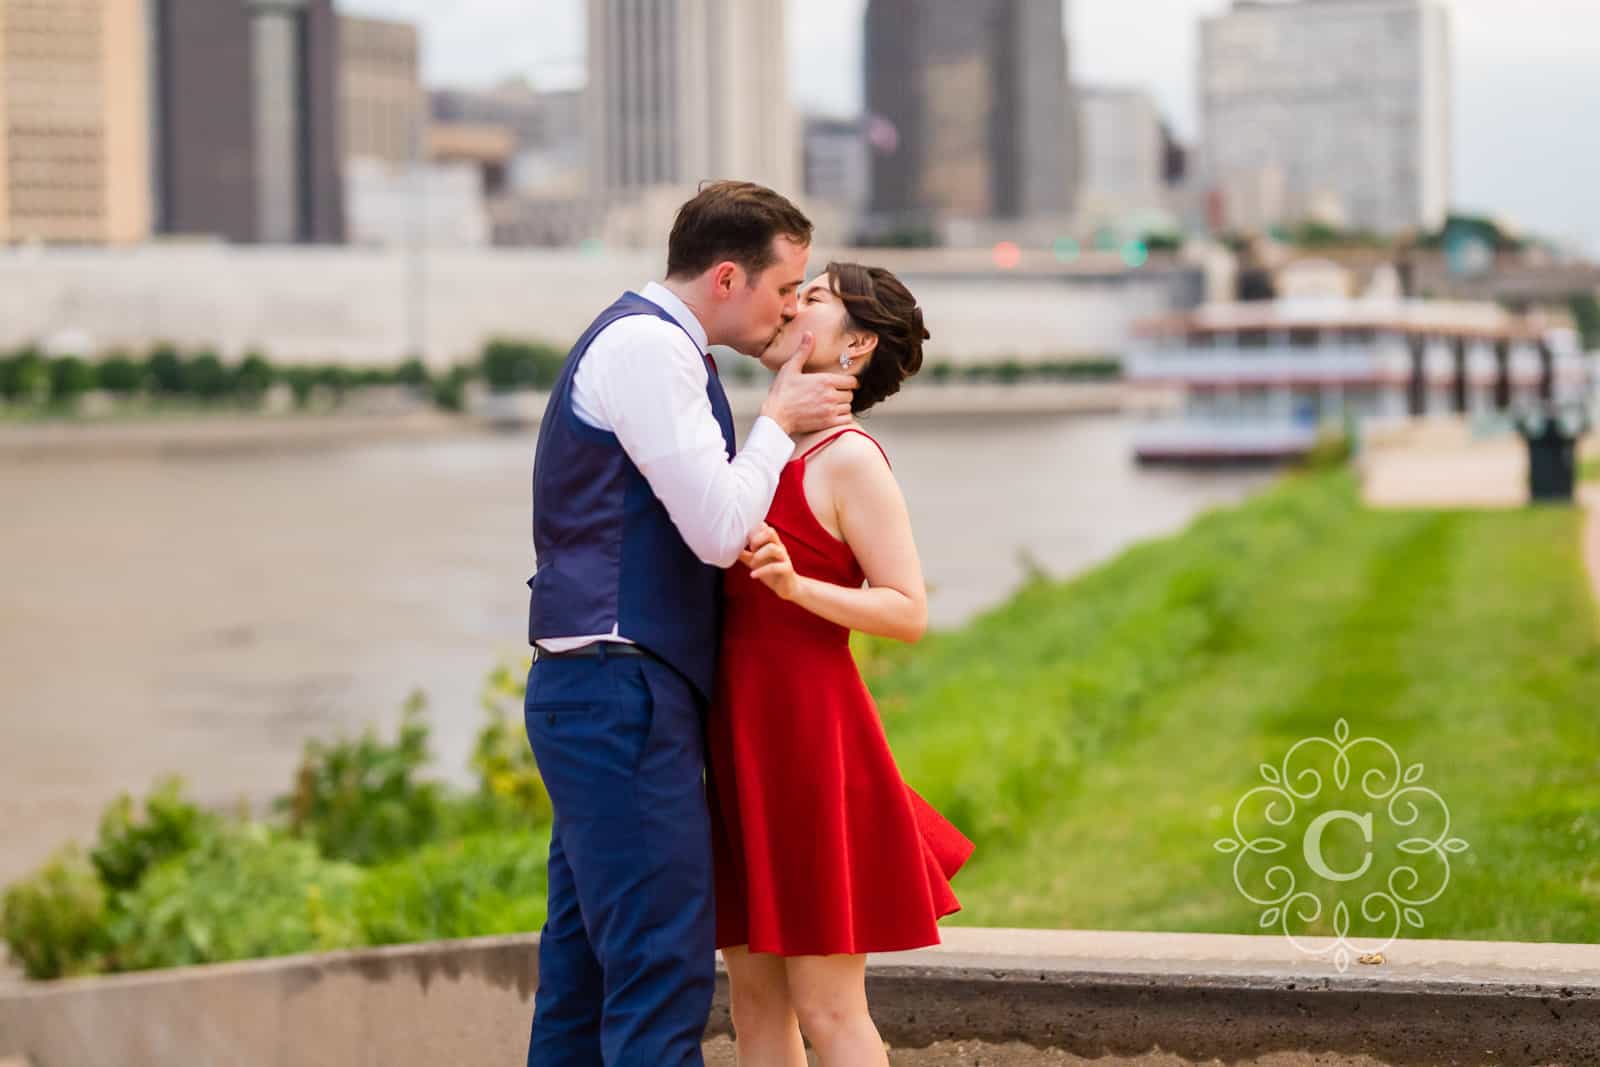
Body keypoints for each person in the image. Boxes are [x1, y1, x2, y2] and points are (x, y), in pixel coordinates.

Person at [522, 181, 858, 1067]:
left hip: (604, 690)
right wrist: (779, 424)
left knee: (586, 975)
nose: (791, 311)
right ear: (725, 277)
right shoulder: (649, 349)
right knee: (660, 973)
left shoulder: (655, 344)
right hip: (619, 691)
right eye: (785, 290)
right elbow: (716, 532)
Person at [707, 262, 975, 1067]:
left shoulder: (851, 458)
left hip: (810, 740)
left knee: (828, 1006)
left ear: (855, 344)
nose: (791, 304)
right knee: (753, 1004)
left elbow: (907, 609)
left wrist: (799, 587)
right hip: (734, 737)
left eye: (813, 297)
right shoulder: (759, 448)